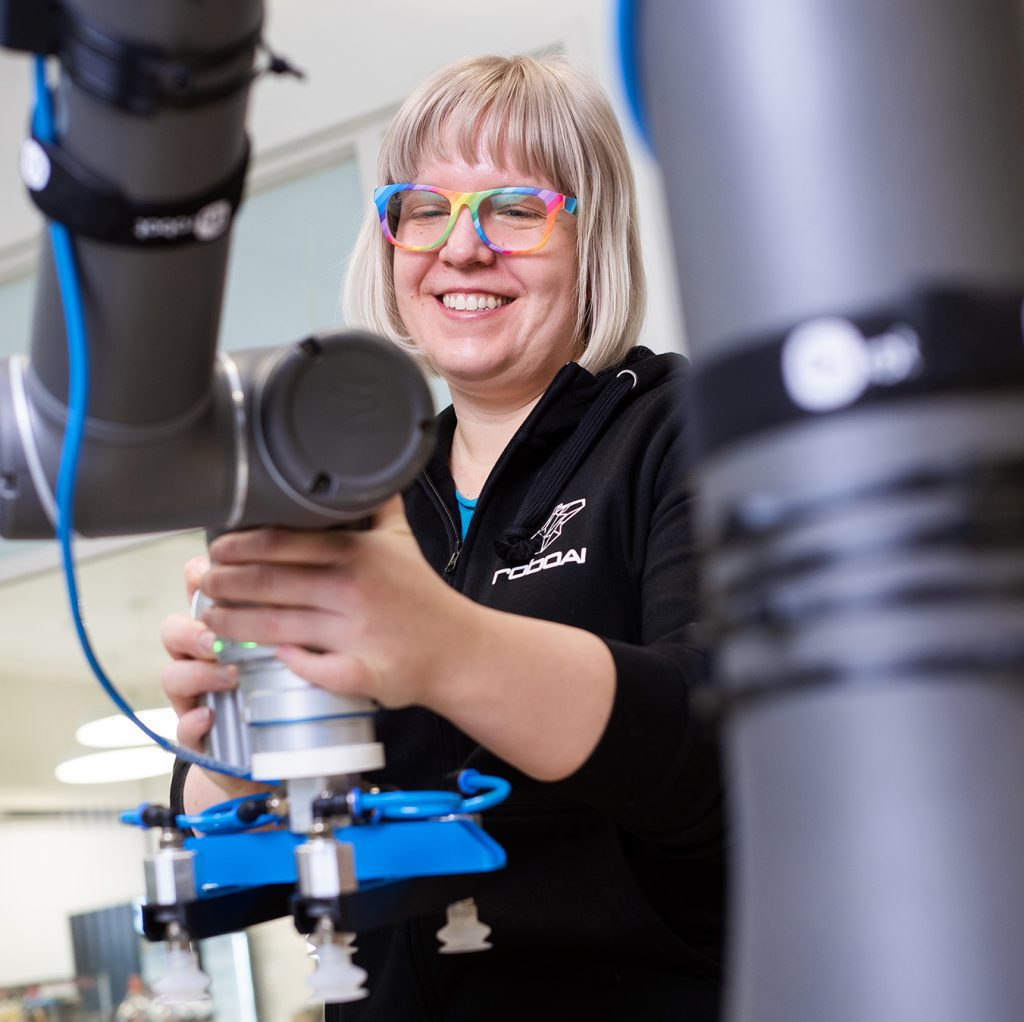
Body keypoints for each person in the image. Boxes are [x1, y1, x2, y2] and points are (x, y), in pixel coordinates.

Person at [161, 53, 726, 1021]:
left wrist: (441, 645)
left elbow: (719, 752)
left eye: (513, 207)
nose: (460, 249)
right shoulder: (350, 485)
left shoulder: (688, 431)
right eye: (424, 208)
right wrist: (225, 733)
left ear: (592, 233)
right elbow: (264, 856)